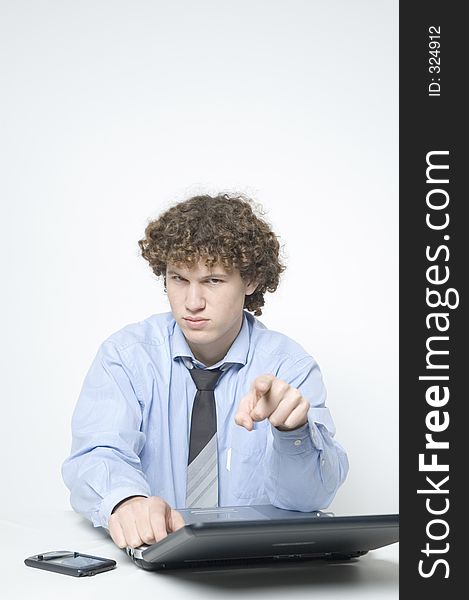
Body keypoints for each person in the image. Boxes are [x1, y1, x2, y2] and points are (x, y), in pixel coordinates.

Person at [62, 193, 349, 550]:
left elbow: (309, 500)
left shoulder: (289, 367)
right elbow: (98, 452)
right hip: (152, 566)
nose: (192, 302)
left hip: (256, 568)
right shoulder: (127, 357)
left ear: (251, 281)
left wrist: (293, 432)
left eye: (213, 280)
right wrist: (125, 502)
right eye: (179, 278)